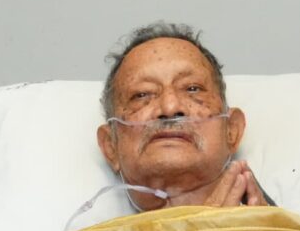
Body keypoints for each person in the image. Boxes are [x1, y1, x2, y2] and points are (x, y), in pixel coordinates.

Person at [95, 23, 272, 211]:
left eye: (192, 89)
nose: (170, 108)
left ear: (231, 131)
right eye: (142, 94)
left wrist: (271, 227)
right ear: (111, 146)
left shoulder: (284, 228)